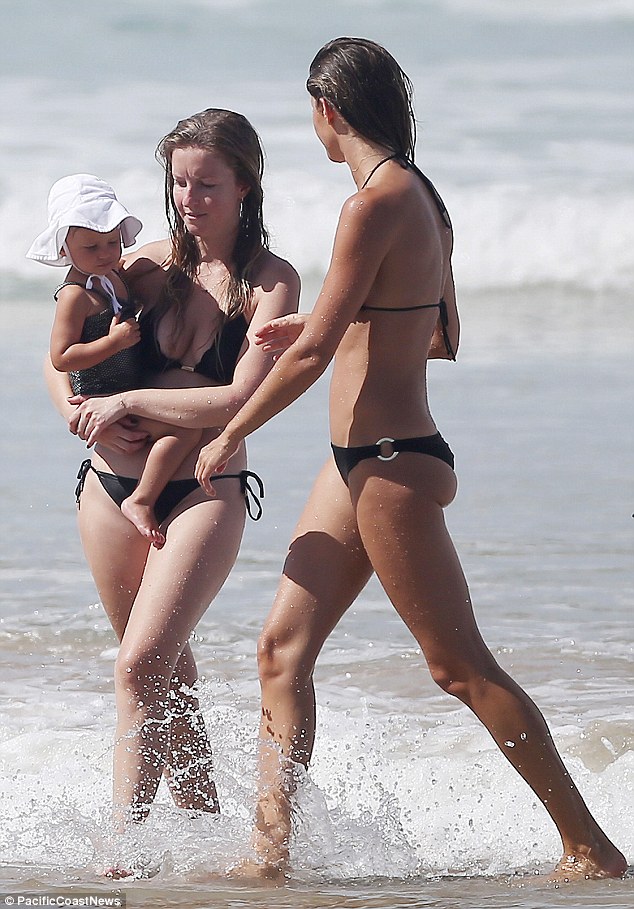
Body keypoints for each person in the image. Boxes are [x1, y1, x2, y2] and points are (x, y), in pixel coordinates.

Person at [192, 39, 627, 882]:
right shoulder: (423, 197)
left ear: (329, 110)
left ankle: (590, 844)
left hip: (386, 459)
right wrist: (336, 323)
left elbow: (318, 356)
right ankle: (269, 856)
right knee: (281, 649)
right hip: (365, 457)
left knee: (457, 665)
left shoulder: (368, 206)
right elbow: (441, 335)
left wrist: (230, 426)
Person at [45, 108, 300, 872]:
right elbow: (58, 357)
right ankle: (201, 840)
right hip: (107, 486)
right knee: (166, 671)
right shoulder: (144, 263)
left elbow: (235, 401)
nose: (189, 199)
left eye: (208, 184)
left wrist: (131, 402)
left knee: (138, 663)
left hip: (203, 487)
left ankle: (121, 846)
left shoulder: (270, 281)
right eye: (179, 182)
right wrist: (81, 414)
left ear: (246, 184)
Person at [30, 173, 201, 549]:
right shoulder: (75, 296)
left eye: (112, 242)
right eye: (91, 247)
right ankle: (141, 499)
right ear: (64, 250)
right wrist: (113, 341)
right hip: (101, 391)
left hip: (128, 388)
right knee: (186, 430)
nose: (106, 254)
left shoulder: (112, 277)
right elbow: (61, 357)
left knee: (185, 423)